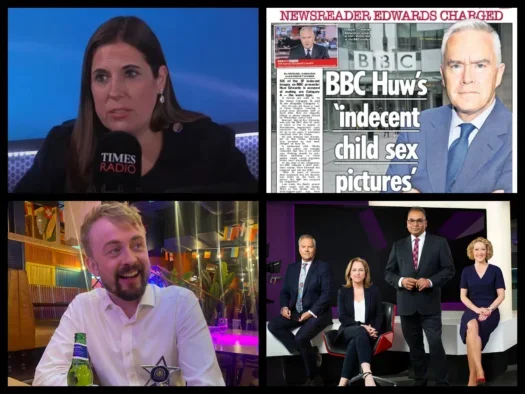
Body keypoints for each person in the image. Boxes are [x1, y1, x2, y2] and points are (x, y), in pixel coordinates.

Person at [13, 16, 257, 194]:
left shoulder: (211, 144)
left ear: (159, 79)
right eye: (101, 77)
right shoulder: (61, 146)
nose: (115, 92)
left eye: (130, 73)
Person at [33, 202, 225, 386]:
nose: (131, 259)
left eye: (137, 245)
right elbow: (45, 377)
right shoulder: (83, 308)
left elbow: (207, 381)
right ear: (92, 265)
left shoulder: (180, 304)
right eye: (115, 250)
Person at [385, 19, 511, 193]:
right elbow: (387, 201)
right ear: (443, 75)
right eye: (456, 65)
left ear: (498, 74)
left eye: (480, 65)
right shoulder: (415, 128)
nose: (467, 78)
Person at [384, 207, 455, 386]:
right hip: (407, 305)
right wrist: (400, 281)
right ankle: (420, 381)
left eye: (419, 220)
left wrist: (430, 281)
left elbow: (449, 270)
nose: (415, 223)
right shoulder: (398, 246)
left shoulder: (439, 243)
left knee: (435, 344)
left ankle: (442, 382)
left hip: (430, 305)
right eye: (412, 220)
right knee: (415, 348)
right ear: (407, 223)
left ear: (425, 223)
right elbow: (388, 273)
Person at [267, 234, 333, 386]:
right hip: (296, 312)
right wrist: (284, 307)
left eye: (310, 247)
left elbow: (326, 295)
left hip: (318, 313)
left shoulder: (323, 267)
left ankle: (314, 378)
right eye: (303, 246)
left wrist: (310, 313)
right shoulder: (292, 268)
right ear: (299, 249)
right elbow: (284, 292)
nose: (307, 250)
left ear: (314, 249)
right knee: (273, 325)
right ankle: (311, 353)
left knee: (301, 338)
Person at [459, 237, 506, 386]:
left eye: (483, 249)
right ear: (472, 252)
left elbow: (501, 295)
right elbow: (463, 296)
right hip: (473, 309)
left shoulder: (495, 270)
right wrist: (477, 309)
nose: (480, 252)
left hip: (491, 310)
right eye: (477, 249)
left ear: (487, 251)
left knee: (472, 330)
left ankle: (473, 379)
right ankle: (479, 370)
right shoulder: (466, 271)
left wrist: (489, 310)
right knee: (472, 324)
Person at [335, 258, 383, 387]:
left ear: (365, 273)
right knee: (360, 331)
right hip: (348, 330)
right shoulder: (343, 292)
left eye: (361, 270)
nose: (357, 273)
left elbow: (379, 315)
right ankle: (367, 374)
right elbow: (343, 317)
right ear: (349, 274)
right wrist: (363, 326)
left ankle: (342, 383)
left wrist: (374, 330)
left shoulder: (374, 291)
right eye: (354, 270)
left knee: (354, 342)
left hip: (368, 334)